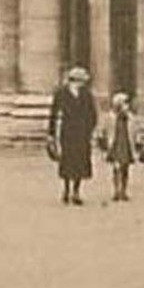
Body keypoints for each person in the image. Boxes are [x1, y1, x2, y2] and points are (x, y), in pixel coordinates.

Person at [48, 67, 96, 205]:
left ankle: (76, 191)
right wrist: (51, 133)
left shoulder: (86, 94)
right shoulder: (61, 94)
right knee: (67, 161)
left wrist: (89, 129)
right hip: (67, 131)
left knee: (80, 162)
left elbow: (92, 114)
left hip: (81, 133)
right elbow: (54, 114)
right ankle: (67, 189)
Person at [99, 92, 137, 202]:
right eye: (124, 104)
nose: (127, 106)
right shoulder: (111, 117)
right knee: (116, 168)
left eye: (127, 104)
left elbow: (134, 132)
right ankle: (116, 190)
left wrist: (136, 143)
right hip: (115, 145)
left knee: (125, 168)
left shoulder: (130, 118)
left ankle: (124, 190)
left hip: (126, 144)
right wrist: (104, 144)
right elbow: (104, 131)